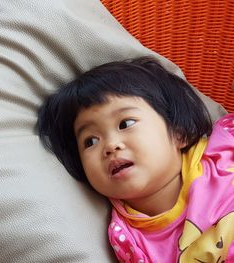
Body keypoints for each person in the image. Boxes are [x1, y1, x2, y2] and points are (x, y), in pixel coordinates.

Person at [37, 57, 234, 262]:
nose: (110, 146)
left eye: (126, 123)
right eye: (90, 141)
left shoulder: (223, 144)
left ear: (179, 132)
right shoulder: (128, 240)